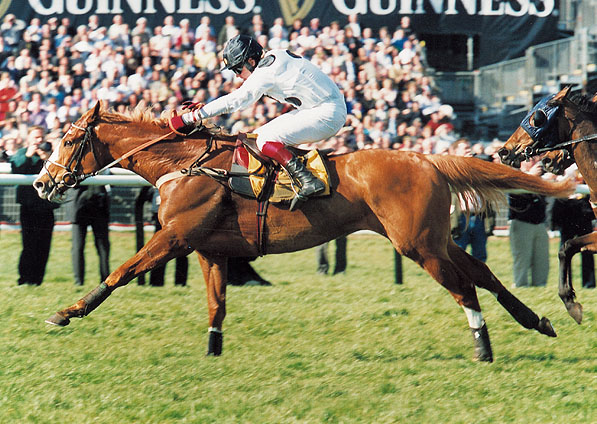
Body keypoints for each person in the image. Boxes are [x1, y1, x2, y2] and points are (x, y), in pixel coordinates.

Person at [169, 34, 347, 209]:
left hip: (325, 113)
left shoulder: (265, 72)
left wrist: (192, 117)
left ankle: (308, 180)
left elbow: (237, 100)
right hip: (321, 108)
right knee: (257, 137)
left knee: (264, 141)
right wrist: (207, 108)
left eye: (238, 69)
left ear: (251, 62)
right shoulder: (275, 56)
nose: (237, 75)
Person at [9, 125, 56, 285]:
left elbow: (58, 172)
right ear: (28, 138)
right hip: (28, 207)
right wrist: (29, 155)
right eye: (36, 137)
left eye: (41, 137)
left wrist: (46, 158)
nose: (39, 140)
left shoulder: (50, 154)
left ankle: (37, 281)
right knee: (28, 244)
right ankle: (24, 279)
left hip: (46, 207)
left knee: (44, 246)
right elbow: (16, 168)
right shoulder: (22, 153)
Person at [508, 158, 550, 288]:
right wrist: (530, 176)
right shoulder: (515, 175)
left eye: (535, 159)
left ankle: (540, 285)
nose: (533, 161)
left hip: (540, 224)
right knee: (522, 259)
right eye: (529, 159)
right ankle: (520, 285)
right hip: (522, 223)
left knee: (542, 259)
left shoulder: (540, 177)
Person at [66, 184, 110, 286]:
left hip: (93, 203)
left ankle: (104, 280)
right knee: (80, 247)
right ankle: (80, 281)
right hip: (82, 203)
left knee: (101, 247)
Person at [552, 190, 596, 289]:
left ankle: (589, 283)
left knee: (588, 249)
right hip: (566, 209)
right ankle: (565, 283)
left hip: (583, 210)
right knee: (565, 249)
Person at [149, 188, 188, 286]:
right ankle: (158, 282)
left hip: (175, 206)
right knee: (161, 247)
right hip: (164, 207)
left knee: (180, 245)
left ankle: (159, 282)